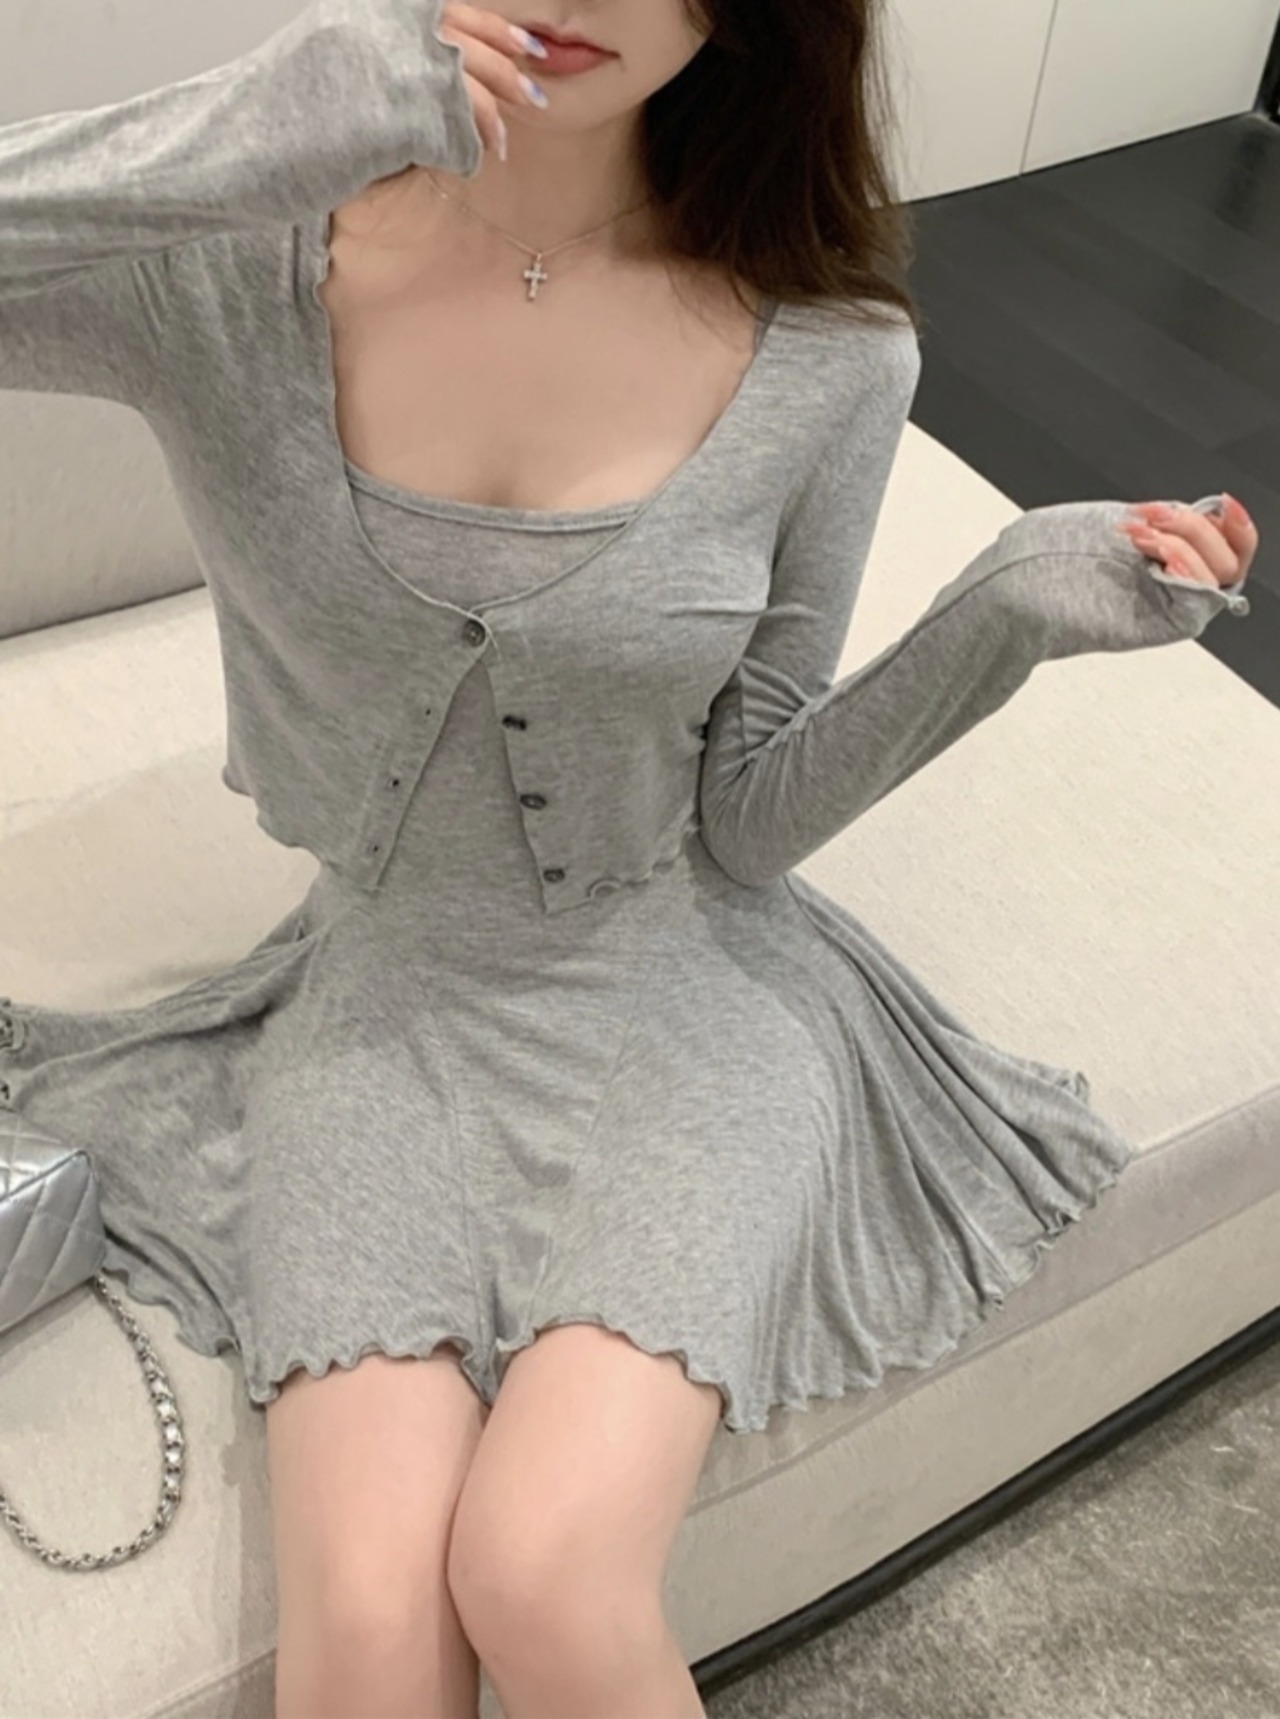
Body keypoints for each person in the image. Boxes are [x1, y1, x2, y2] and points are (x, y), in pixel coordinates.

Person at [0, 4, 1257, 1717]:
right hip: (378, 1009)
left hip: (692, 999)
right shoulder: (231, 281)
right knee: (363, 1621)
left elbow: (750, 813)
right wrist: (276, 114)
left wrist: (1001, 616)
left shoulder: (829, 352)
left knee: (543, 1566)